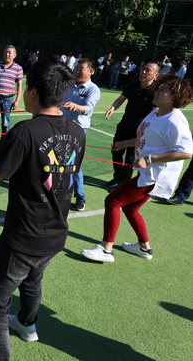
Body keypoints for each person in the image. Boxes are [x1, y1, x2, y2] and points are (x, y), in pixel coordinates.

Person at [0, 58, 85, 361]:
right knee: (32, 281)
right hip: (55, 235)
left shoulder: (26, 130)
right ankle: (27, 324)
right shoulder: (76, 132)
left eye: (25, 88)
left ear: (33, 92)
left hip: (23, 237)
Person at [81, 75, 192, 263]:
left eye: (163, 90)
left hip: (156, 177)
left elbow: (185, 152)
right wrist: (125, 143)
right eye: (159, 88)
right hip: (146, 173)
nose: (157, 91)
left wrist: (149, 159)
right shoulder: (155, 113)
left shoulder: (175, 121)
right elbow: (144, 138)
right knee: (131, 209)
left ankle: (106, 249)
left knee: (113, 200)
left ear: (175, 97)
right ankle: (144, 248)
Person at [104, 62, 161, 187]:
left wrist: (149, 130)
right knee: (116, 151)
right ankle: (117, 178)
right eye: (143, 69)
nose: (143, 72)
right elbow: (121, 99)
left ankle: (123, 183)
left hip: (140, 129)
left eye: (148, 70)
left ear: (156, 75)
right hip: (124, 124)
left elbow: (155, 113)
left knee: (130, 158)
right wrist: (112, 108)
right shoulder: (133, 85)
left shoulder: (155, 91)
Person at [61, 58, 101, 211]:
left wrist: (75, 106)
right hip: (61, 126)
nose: (77, 71)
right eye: (76, 68)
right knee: (56, 159)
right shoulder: (69, 84)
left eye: (81, 68)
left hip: (78, 130)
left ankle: (80, 196)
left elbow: (88, 109)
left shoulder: (93, 89)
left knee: (73, 163)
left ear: (91, 71)